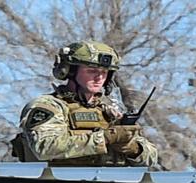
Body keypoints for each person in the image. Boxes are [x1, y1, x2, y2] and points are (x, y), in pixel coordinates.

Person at [11, 41, 158, 168]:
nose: (99, 77)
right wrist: (105, 138)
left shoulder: (110, 110)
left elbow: (151, 157)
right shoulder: (49, 106)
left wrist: (133, 149)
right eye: (91, 70)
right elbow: (45, 147)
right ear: (70, 71)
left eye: (104, 72)